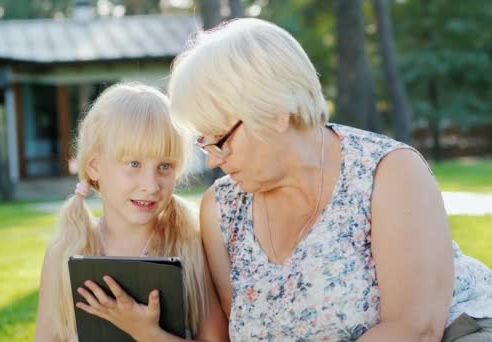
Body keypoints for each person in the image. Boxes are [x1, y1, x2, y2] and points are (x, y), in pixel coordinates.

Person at [167, 18, 492, 341]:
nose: (212, 158)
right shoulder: (222, 208)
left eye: (219, 138)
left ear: (274, 111)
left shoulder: (388, 171)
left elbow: (415, 330)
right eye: (204, 141)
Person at [34, 83, 228, 342]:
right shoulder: (64, 251)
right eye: (133, 164)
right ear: (94, 167)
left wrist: (148, 334)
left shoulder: (191, 244)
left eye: (164, 166)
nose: (150, 185)